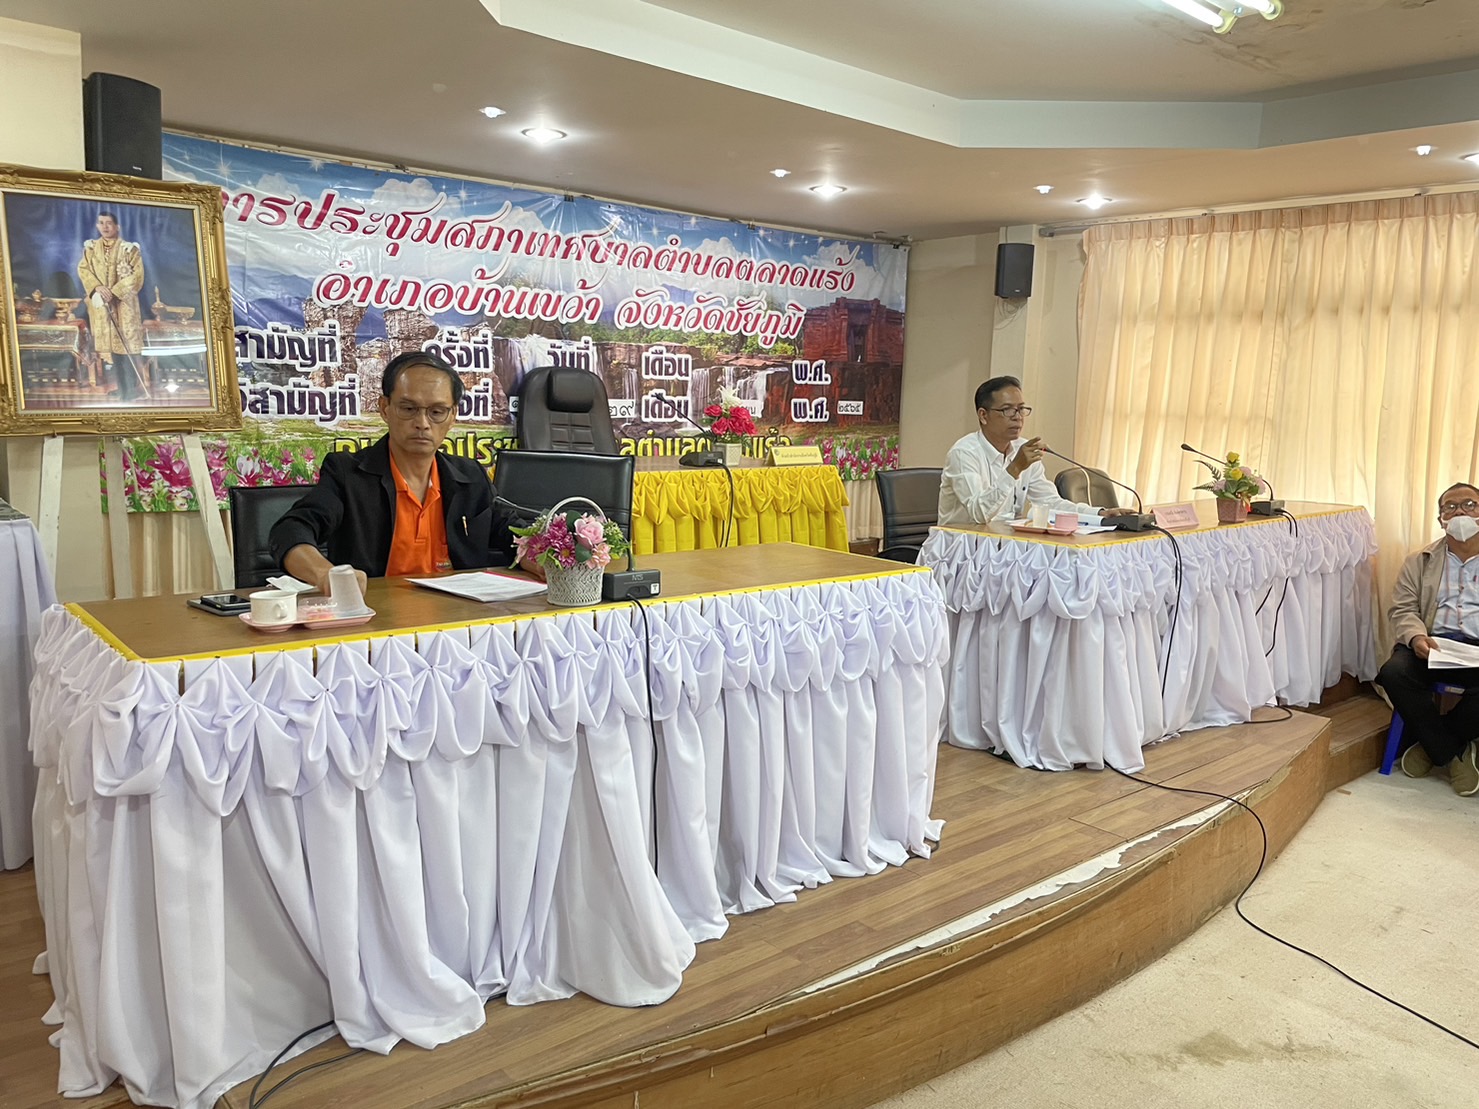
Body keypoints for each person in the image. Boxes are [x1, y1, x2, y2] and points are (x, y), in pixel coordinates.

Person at [271, 351, 527, 595]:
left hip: (459, 615)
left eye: (437, 412)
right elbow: (290, 529)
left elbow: (514, 533)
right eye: (408, 409)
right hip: (376, 614)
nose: (422, 423)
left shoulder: (470, 476)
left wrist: (541, 557)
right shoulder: (348, 475)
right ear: (385, 408)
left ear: (453, 416)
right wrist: (324, 573)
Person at [1378, 481, 1479, 794]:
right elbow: (1403, 609)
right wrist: (1416, 638)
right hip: (1432, 644)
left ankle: (1432, 746)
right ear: (1441, 519)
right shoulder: (1419, 560)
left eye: (1469, 505)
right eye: (1450, 507)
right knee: (1393, 673)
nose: (1460, 512)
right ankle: (1454, 753)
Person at [937, 376, 1128, 526]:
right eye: (1007, 410)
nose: (1017, 417)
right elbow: (979, 514)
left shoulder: (1022, 449)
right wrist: (1014, 469)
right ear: (983, 415)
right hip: (962, 548)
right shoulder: (964, 453)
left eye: (1021, 409)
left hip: (1006, 544)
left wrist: (1099, 513)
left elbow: (1050, 503)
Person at [76, 211, 147, 400]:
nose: (105, 227)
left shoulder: (129, 249)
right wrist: (97, 288)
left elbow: (137, 276)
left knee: (126, 347)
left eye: (109, 223)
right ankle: (121, 387)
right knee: (113, 350)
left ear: (117, 226)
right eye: (101, 223)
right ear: (97, 226)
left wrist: (114, 292)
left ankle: (130, 389)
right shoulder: (91, 249)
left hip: (124, 306)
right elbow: (84, 269)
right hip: (102, 306)